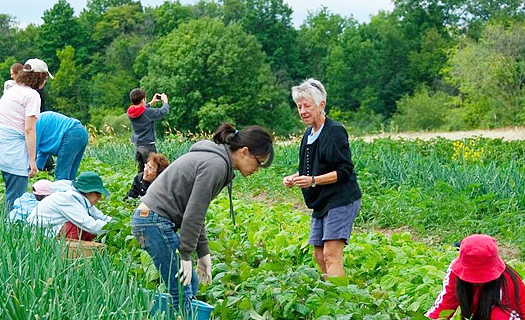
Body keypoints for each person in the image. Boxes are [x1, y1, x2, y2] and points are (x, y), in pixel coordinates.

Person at [132, 123, 274, 316]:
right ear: (244, 152)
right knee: (181, 290)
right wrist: (186, 255)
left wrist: (203, 253)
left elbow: (196, 211)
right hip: (153, 221)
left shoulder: (216, 162)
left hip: (152, 220)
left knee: (189, 284)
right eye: (259, 162)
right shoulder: (215, 165)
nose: (258, 168)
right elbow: (193, 214)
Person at [282, 78, 361, 278]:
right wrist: (294, 178)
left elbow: (344, 171)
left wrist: (313, 181)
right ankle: (332, 292)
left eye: (307, 105)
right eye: (299, 106)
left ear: (321, 105)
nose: (302, 111)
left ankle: (340, 300)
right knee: (319, 255)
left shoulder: (334, 131)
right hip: (321, 201)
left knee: (330, 253)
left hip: (341, 198)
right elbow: (310, 170)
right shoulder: (308, 134)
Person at [426, 234, 525, 319]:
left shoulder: (508, 281)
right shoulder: (456, 272)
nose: (476, 282)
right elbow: (443, 308)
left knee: (497, 315)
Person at [0, 58, 52, 211]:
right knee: (16, 198)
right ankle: (7, 230)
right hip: (13, 149)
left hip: (4, 145)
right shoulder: (31, 95)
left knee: (10, 192)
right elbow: (29, 129)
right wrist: (32, 160)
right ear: (39, 77)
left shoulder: (13, 90)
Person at [27, 171, 112, 241]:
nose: (99, 198)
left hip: (52, 229)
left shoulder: (82, 200)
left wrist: (116, 223)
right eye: (98, 194)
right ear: (88, 192)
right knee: (77, 227)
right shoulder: (68, 199)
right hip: (39, 236)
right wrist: (112, 228)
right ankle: (66, 253)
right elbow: (91, 225)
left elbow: (100, 216)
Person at [36, 111, 89, 180]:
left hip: (71, 133)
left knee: (61, 176)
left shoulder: (33, 125)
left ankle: (63, 190)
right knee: (71, 177)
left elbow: (32, 152)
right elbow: (42, 153)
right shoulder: (41, 121)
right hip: (81, 132)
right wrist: (37, 169)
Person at [127, 88, 169, 173]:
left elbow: (140, 110)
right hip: (148, 146)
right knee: (152, 171)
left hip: (138, 146)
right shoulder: (148, 113)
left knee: (141, 173)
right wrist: (165, 101)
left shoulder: (130, 112)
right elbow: (163, 111)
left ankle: (140, 186)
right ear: (143, 100)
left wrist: (151, 103)